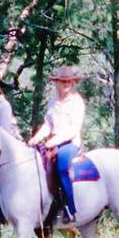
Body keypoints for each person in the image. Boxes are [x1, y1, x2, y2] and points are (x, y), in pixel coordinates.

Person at [28, 65, 85, 222]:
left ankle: (70, 209)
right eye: (62, 81)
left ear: (73, 83)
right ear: (57, 83)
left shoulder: (77, 102)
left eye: (68, 82)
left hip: (70, 143)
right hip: (52, 143)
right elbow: (48, 124)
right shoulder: (53, 101)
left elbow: (73, 129)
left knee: (61, 167)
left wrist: (53, 141)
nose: (66, 84)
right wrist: (35, 139)